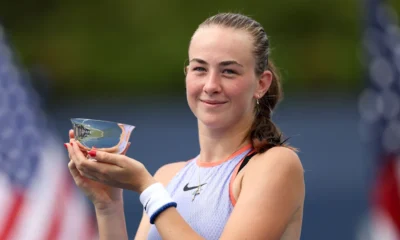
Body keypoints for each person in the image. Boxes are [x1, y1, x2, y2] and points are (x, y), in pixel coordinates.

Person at [65, 12, 305, 240]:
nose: (211, 85)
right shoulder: (167, 176)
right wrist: (108, 205)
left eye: (229, 71)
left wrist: (147, 189)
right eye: (200, 68)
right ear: (187, 74)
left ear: (261, 84)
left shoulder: (276, 165)